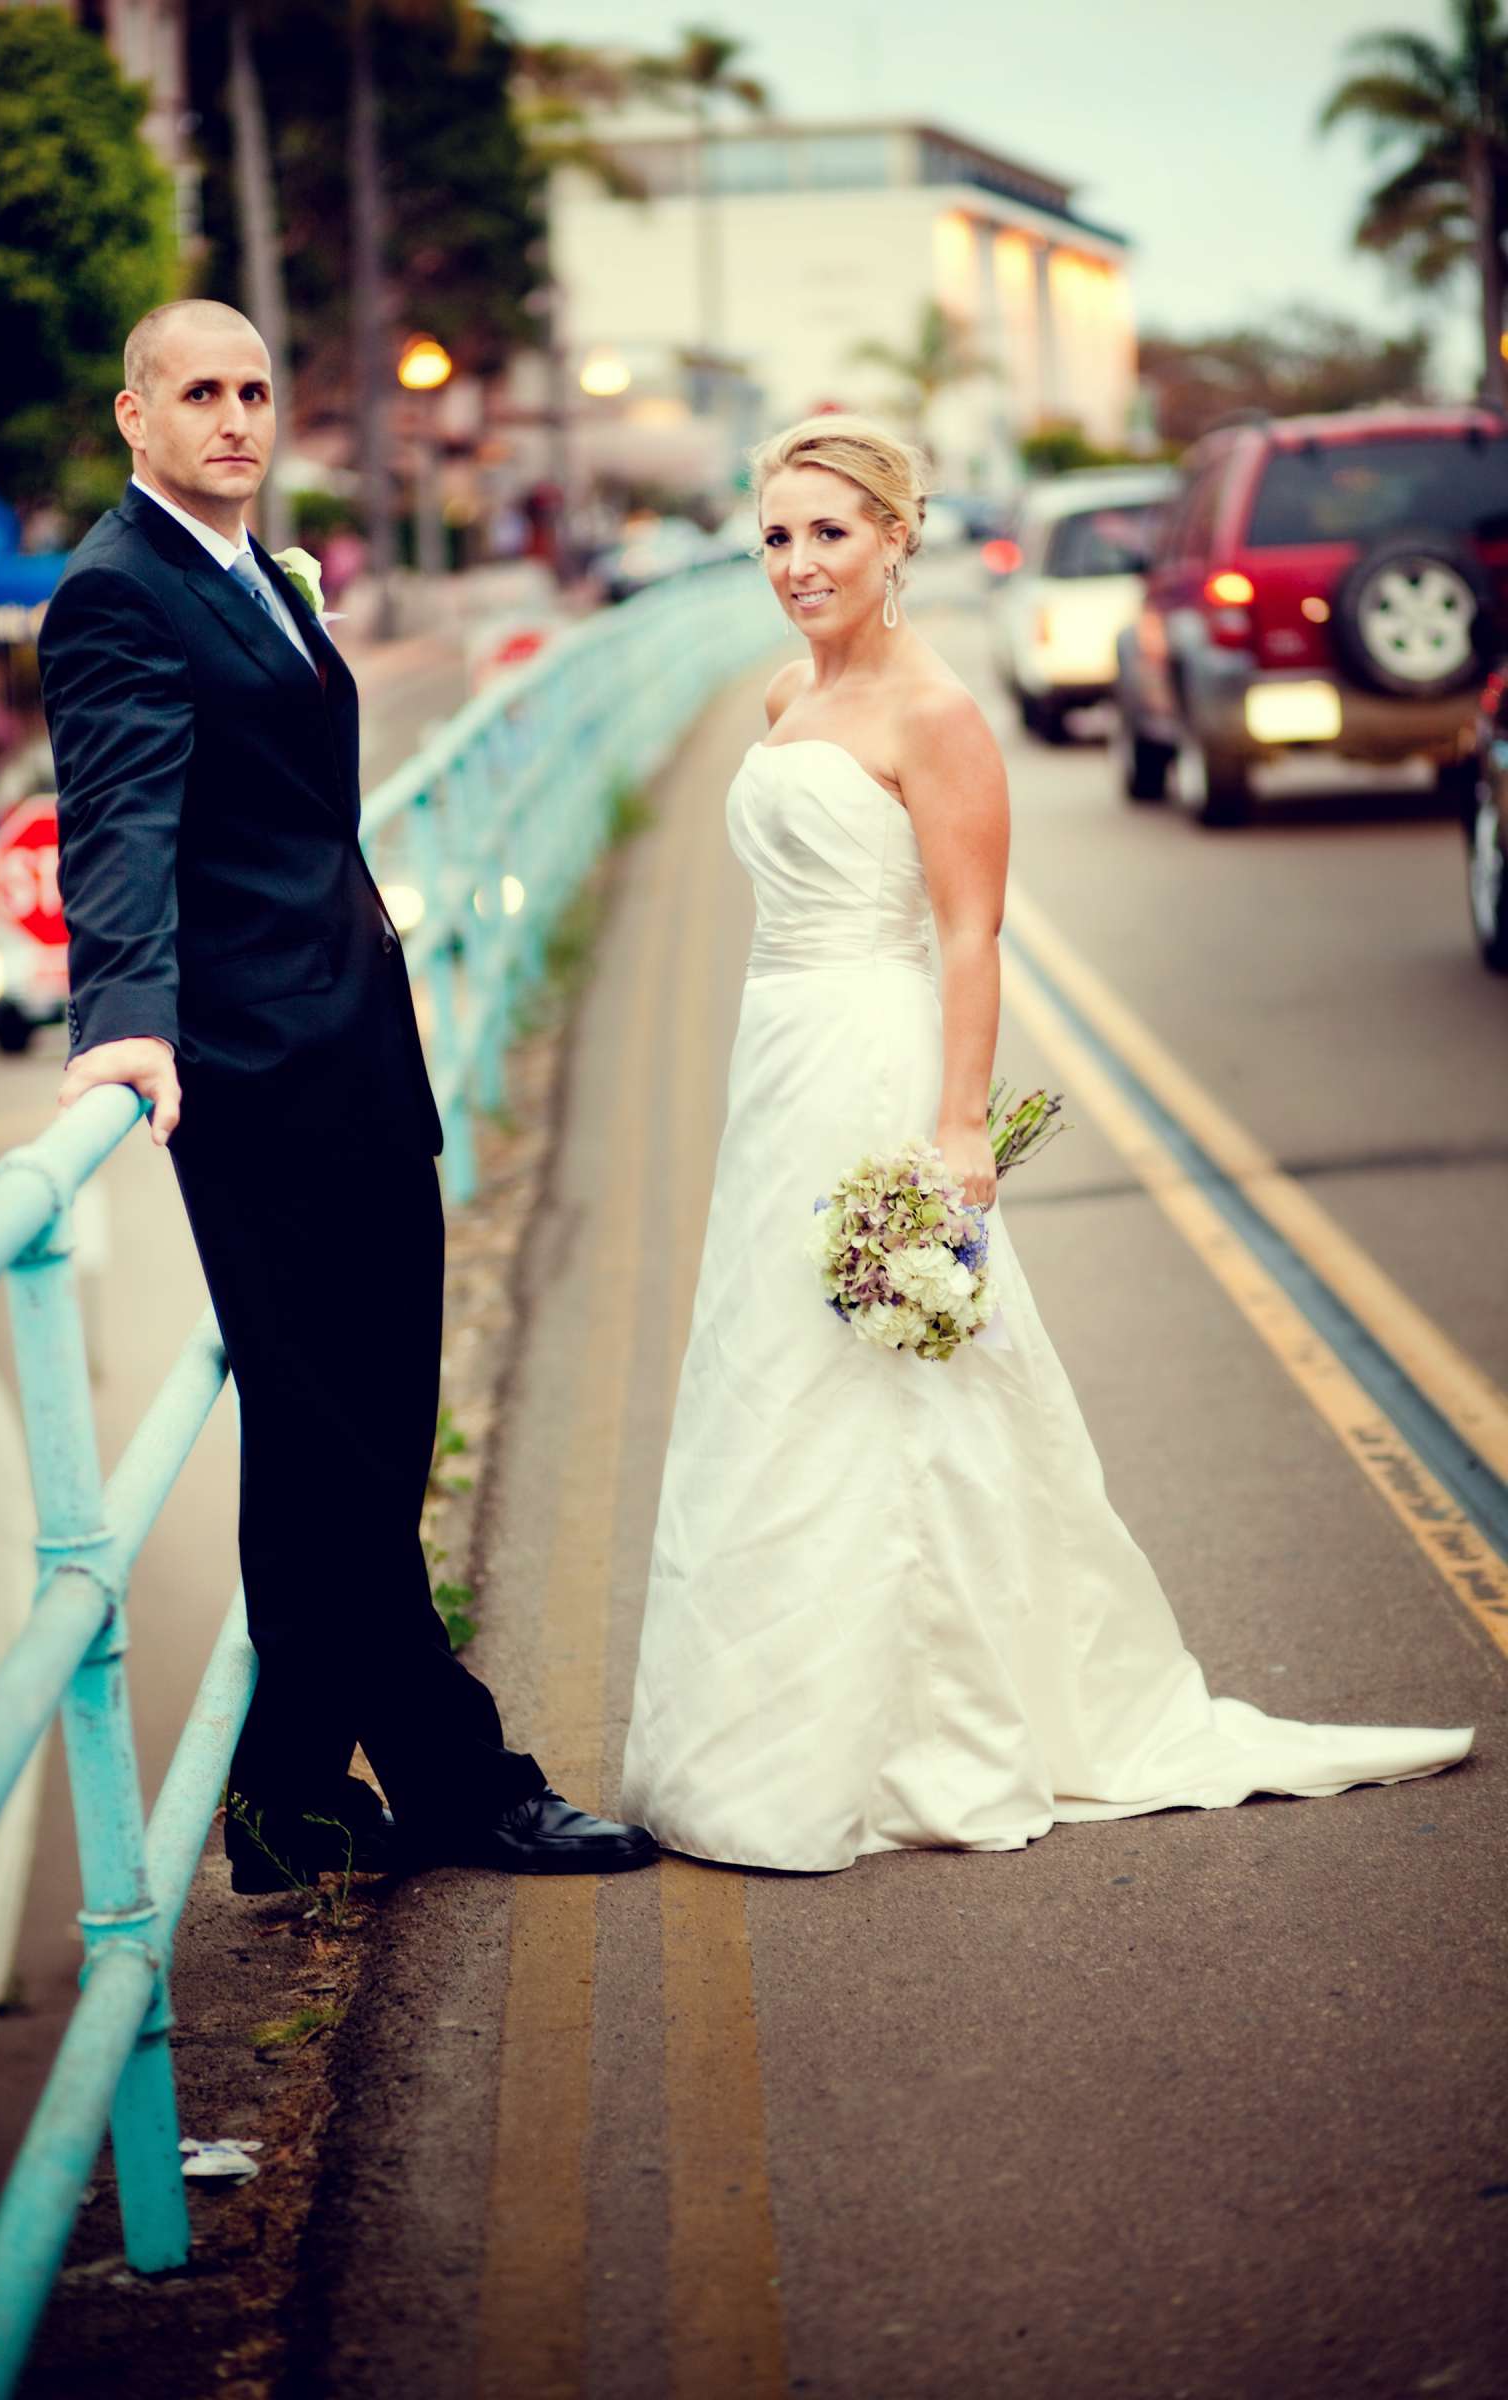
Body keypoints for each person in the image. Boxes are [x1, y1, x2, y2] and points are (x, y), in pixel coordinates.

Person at [618, 414, 1474, 1873]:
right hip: (779, 1075)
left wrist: (959, 1127)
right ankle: (759, 1715)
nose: (799, 562)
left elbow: (969, 931)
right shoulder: (780, 699)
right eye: (775, 535)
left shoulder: (937, 713)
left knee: (897, 1388)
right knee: (771, 1366)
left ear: (896, 538)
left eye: (831, 531)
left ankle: (929, 1722)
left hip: (880, 1066)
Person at [38, 298, 656, 1891]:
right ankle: (464, 1783)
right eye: (200, 393)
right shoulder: (117, 594)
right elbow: (113, 816)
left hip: (356, 1050)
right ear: (137, 418)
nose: (236, 418)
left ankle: (286, 1798)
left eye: (255, 388)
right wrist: (123, 1014)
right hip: (256, 1083)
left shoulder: (252, 572)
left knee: (350, 1438)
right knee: (353, 1446)